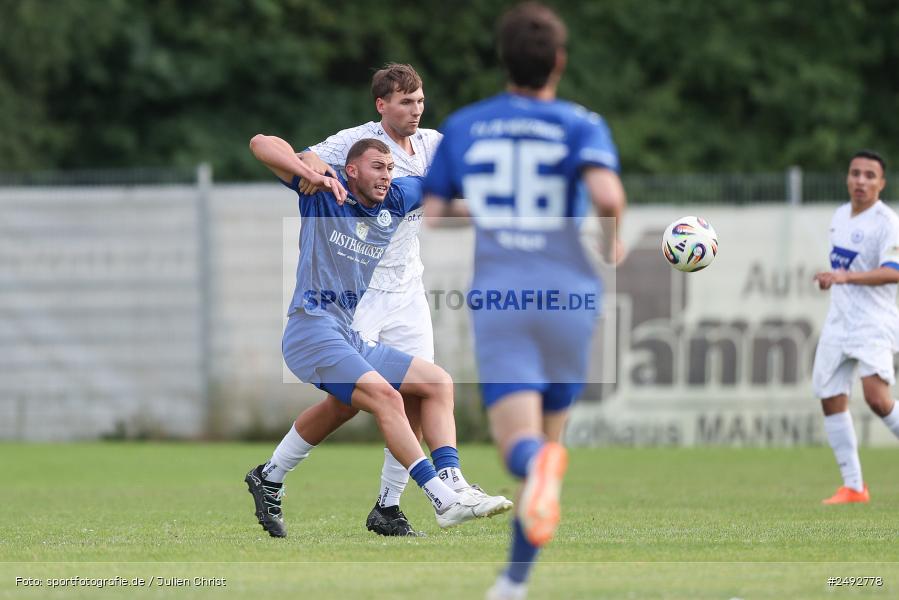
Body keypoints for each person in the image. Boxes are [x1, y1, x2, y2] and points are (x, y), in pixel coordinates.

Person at [422, 3, 626, 599]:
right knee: (550, 450)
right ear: (558, 61)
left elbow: (435, 215)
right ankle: (512, 585)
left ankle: (514, 574)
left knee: (523, 452)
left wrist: (488, 211)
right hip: (571, 295)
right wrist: (611, 241)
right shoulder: (580, 122)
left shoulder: (465, 125)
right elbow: (608, 195)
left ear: (503, 60)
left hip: (505, 296)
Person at [244, 135, 511, 538]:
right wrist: (308, 173)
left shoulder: (398, 198)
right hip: (310, 330)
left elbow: (442, 186)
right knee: (387, 397)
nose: (387, 176)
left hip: (346, 334)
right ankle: (442, 500)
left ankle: (453, 483)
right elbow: (260, 143)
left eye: (390, 169)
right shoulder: (321, 193)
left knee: (436, 383)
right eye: (377, 168)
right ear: (350, 172)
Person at [813, 149, 899, 505]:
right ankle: (854, 487)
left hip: (873, 321)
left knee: (877, 400)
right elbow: (841, 269)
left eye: (869, 175)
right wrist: (832, 279)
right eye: (855, 173)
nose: (860, 181)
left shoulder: (886, 222)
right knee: (830, 397)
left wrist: (847, 276)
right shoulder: (839, 216)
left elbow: (894, 271)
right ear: (847, 178)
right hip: (839, 321)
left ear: (881, 183)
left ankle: (854, 487)